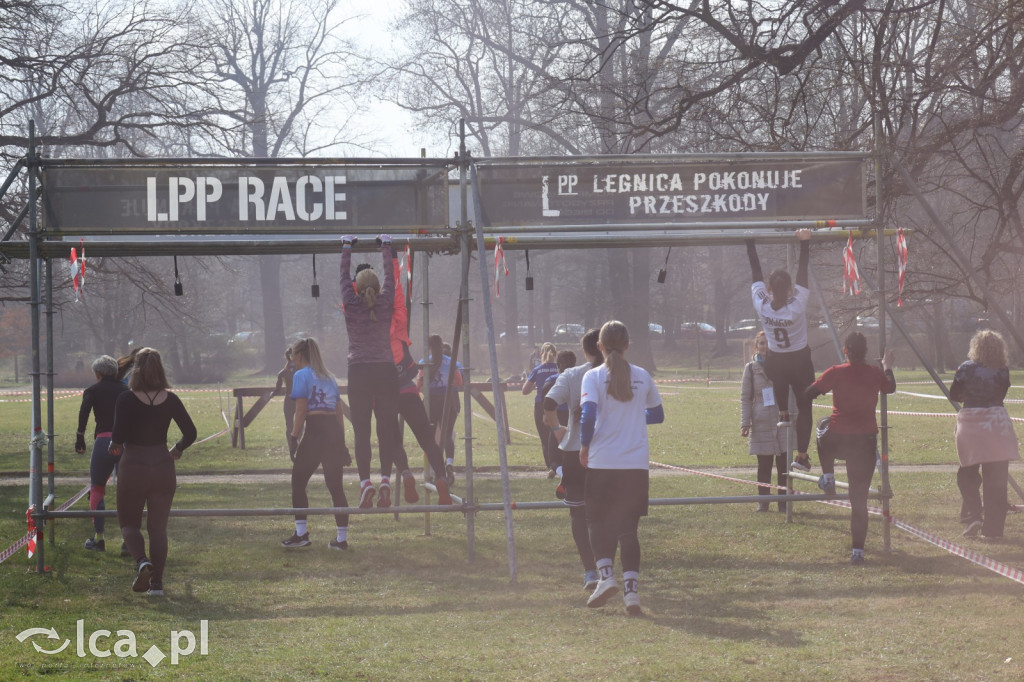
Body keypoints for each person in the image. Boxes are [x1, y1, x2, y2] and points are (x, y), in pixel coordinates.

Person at [580, 321, 664, 615]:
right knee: (629, 530)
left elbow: (588, 414)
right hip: (635, 465)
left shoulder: (592, 377)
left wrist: (584, 445)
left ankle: (605, 578)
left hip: (603, 462)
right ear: (628, 345)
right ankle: (631, 593)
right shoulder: (642, 375)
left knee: (595, 521)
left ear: (599, 347)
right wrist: (633, 418)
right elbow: (657, 414)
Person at [109, 347, 196, 596]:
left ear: (135, 370)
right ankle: (157, 584)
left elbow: (118, 437)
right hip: (162, 464)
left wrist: (113, 447)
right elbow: (191, 432)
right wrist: (177, 449)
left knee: (128, 524)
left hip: (134, 463)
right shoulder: (171, 399)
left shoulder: (125, 399)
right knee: (158, 528)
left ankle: (141, 562)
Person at [806, 332, 895, 565]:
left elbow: (809, 393)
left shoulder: (836, 371)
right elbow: (891, 388)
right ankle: (858, 552)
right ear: (865, 351)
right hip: (864, 442)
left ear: (845, 350)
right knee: (859, 503)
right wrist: (887, 366)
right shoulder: (875, 373)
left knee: (821, 425)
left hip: (838, 440)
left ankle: (828, 476)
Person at [375, 247, 451, 505]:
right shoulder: (398, 319)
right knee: (427, 439)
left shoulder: (366, 325)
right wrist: (392, 255)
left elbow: (348, 301)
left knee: (392, 440)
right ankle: (440, 477)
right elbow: (397, 290)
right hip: (407, 388)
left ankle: (406, 473)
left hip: (384, 393)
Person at [746, 228, 815, 472]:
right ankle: (803, 455)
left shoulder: (763, 305)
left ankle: (783, 413)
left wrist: (750, 242)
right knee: (806, 407)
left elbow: (755, 273)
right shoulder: (797, 304)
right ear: (789, 289)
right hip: (799, 359)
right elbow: (803, 273)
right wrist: (804, 243)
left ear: (770, 289)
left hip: (777, 362)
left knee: (782, 388)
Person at [340, 234, 401, 508]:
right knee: (386, 428)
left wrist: (346, 246)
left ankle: (366, 484)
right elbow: (392, 278)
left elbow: (343, 276)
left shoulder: (351, 305)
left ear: (356, 286)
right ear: (377, 287)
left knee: (361, 430)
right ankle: (386, 480)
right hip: (386, 370)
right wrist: (385, 245)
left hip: (359, 370)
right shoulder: (386, 301)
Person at [281, 337, 352, 550]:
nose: (292, 358)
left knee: (298, 482)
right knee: (336, 486)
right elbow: (338, 413)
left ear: (299, 355)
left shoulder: (300, 375)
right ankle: (341, 539)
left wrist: (294, 437)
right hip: (332, 431)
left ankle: (301, 534)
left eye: (293, 354)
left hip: (315, 431)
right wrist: (342, 442)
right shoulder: (329, 377)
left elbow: (301, 410)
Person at [950, 330, 1020, 540]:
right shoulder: (1003, 371)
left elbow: (954, 394)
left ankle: (973, 515)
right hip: (997, 425)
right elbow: (1001, 395)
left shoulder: (965, 368)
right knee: (996, 481)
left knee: (967, 474)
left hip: (972, 424)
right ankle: (993, 530)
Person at [543, 331, 599, 592]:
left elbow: (549, 403)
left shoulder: (571, 374)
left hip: (576, 451)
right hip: (609, 453)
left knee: (578, 513)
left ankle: (590, 570)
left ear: (586, 350)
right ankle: (606, 567)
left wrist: (557, 431)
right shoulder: (620, 373)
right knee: (607, 513)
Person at [75, 355, 129, 552]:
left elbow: (84, 412)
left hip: (103, 441)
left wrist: (80, 437)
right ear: (115, 372)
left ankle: (99, 539)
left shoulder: (92, 390)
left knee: (97, 488)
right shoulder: (126, 390)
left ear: (97, 374)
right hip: (124, 444)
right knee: (128, 492)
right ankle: (128, 541)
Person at [740, 331, 788, 512]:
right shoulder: (751, 369)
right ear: (756, 347)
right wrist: (745, 423)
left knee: (783, 464)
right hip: (761, 421)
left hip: (782, 418)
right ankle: (763, 502)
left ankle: (784, 502)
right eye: (761, 343)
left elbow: (791, 393)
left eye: (767, 343)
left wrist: (795, 417)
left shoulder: (783, 367)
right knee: (764, 465)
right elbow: (745, 398)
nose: (764, 347)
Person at [418, 334, 463, 487]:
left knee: (430, 440)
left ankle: (435, 472)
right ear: (442, 345)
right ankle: (449, 461)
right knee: (447, 433)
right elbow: (459, 382)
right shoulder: (451, 363)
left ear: (429, 346)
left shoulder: (425, 362)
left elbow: (419, 383)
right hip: (447, 401)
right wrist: (446, 383)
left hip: (431, 403)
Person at [522, 342, 560, 477]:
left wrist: (535, 386)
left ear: (541, 354)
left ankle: (550, 466)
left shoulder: (537, 369)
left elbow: (525, 391)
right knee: (559, 435)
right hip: (559, 405)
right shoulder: (559, 368)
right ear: (555, 354)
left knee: (545, 438)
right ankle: (560, 465)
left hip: (541, 406)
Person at [541, 350, 575, 485]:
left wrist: (545, 414)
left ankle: (561, 472)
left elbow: (546, 394)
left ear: (558, 365)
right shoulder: (581, 377)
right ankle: (562, 471)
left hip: (556, 416)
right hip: (573, 415)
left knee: (554, 454)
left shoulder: (553, 379)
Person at [275, 347, 298, 457]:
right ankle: (297, 444)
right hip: (299, 400)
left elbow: (277, 390)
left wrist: (270, 395)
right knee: (300, 425)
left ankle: (291, 447)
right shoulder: (301, 371)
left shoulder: (282, 372)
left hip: (288, 400)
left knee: (289, 425)